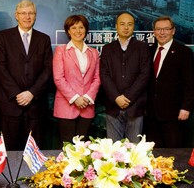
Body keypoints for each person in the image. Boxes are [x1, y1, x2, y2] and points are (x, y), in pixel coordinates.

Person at [0, 0, 53, 150]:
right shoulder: (4, 37)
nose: (27, 17)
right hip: (11, 105)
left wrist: (31, 93)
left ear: (35, 16)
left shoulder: (44, 39)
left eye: (31, 13)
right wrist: (17, 94)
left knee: (34, 153)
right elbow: (0, 68)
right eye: (23, 13)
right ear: (16, 15)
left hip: (36, 106)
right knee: (11, 151)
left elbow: (47, 70)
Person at [100, 11, 151, 143]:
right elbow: (104, 74)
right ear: (116, 26)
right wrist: (116, 97)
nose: (126, 27)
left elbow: (144, 75)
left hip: (135, 107)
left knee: (134, 151)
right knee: (113, 151)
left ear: (134, 27)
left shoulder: (143, 47)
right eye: (122, 24)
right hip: (113, 106)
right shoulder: (107, 48)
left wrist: (128, 97)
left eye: (129, 24)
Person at [146, 16, 194, 148]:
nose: (162, 33)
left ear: (173, 31)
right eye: (159, 29)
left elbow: (189, 83)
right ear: (154, 32)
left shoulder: (184, 52)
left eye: (166, 29)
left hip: (174, 115)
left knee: (173, 154)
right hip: (150, 115)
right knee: (153, 155)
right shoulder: (148, 51)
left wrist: (186, 107)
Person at [52, 15, 100, 146]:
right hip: (66, 107)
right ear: (68, 31)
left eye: (81, 27)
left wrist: (87, 97)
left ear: (86, 30)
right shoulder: (61, 51)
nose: (78, 31)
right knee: (67, 148)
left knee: (83, 149)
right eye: (73, 28)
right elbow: (58, 78)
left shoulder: (93, 53)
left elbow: (97, 78)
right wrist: (75, 98)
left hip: (87, 106)